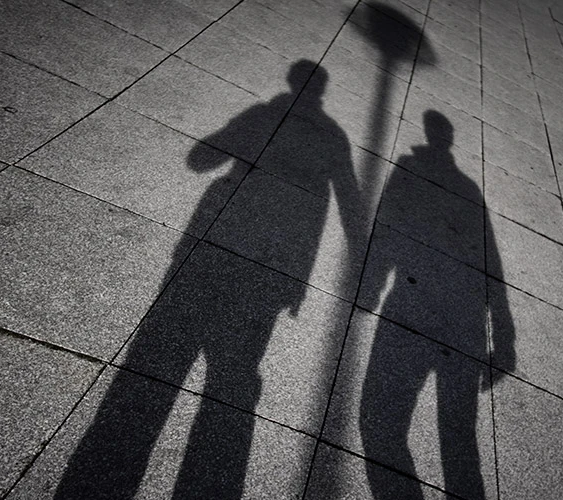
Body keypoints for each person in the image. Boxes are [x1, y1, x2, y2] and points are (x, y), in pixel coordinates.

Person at [54, 60, 372, 499]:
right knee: (233, 384)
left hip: (212, 248)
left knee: (154, 368)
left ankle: (105, 478)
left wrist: (245, 145)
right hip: (275, 270)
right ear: (321, 90)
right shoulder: (334, 137)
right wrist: (360, 271)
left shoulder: (261, 115)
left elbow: (200, 159)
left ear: (292, 83)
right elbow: (351, 204)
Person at [359, 110, 515, 500]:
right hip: (467, 321)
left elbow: (387, 227)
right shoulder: (469, 189)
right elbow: (491, 262)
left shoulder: (408, 169)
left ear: (429, 136)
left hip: (409, 302)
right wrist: (504, 336)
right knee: (458, 437)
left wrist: (370, 287)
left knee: (380, 423)